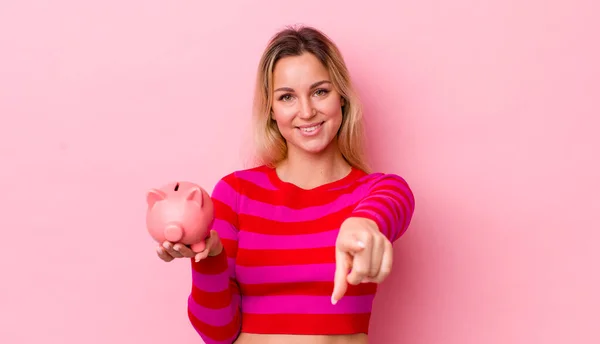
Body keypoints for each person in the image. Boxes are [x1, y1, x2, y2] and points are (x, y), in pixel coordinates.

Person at [156, 25, 416, 344]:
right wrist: (209, 257)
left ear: (342, 98)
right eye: (287, 97)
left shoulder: (378, 191)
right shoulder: (234, 193)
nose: (306, 112)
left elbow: (391, 205)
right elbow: (217, 333)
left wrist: (360, 225)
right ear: (271, 110)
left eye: (320, 91)